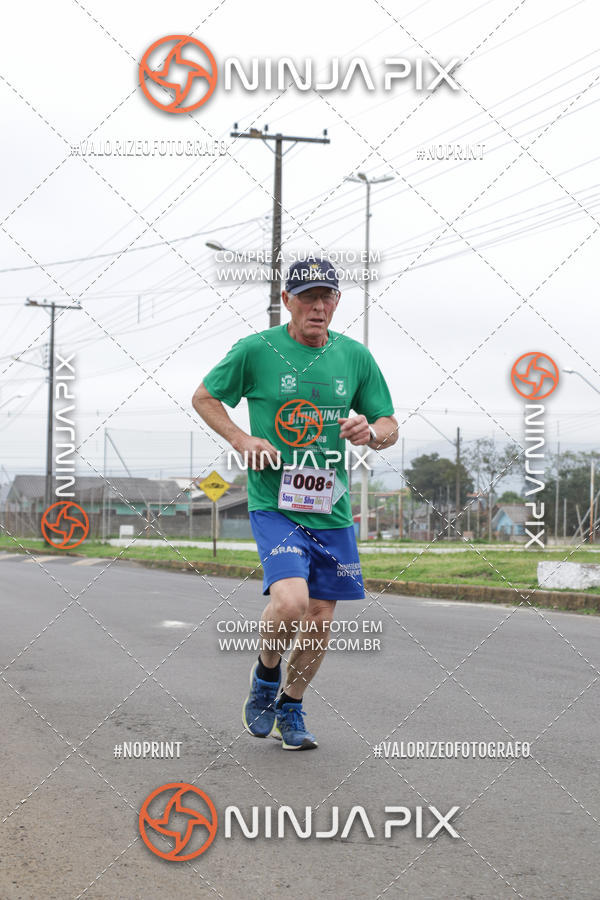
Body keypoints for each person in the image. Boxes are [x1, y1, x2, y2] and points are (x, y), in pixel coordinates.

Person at [192, 257, 397, 750]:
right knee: (291, 602)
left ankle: (291, 704)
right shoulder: (256, 350)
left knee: (322, 618)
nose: (318, 306)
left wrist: (371, 433)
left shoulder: (354, 357)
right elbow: (204, 397)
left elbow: (389, 424)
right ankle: (265, 675)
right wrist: (242, 439)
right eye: (307, 297)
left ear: (337, 302)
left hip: (331, 510)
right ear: (287, 301)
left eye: (327, 297)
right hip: (274, 502)